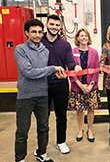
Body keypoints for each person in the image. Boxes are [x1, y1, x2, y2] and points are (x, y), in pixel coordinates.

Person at [14, 19, 66, 162]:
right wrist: (52, 69)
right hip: (25, 96)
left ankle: (41, 153)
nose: (37, 35)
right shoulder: (20, 49)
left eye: (39, 32)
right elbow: (28, 71)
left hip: (42, 95)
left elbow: (45, 72)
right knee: (22, 131)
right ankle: (20, 158)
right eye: (33, 32)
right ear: (26, 33)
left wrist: (57, 73)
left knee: (44, 128)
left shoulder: (45, 51)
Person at [41, 14, 81, 154]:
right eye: (51, 24)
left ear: (60, 27)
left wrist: (74, 67)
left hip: (60, 85)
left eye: (57, 25)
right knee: (42, 117)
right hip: (42, 85)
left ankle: (61, 142)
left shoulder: (65, 44)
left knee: (61, 115)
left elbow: (70, 62)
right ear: (46, 25)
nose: (54, 27)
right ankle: (42, 146)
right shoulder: (39, 41)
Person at [68, 28, 101, 143]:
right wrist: (80, 85)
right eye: (81, 36)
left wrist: (90, 85)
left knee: (91, 109)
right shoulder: (72, 52)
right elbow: (71, 71)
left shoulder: (94, 52)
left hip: (91, 87)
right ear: (77, 38)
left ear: (88, 38)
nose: (84, 38)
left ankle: (90, 130)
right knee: (79, 110)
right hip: (77, 86)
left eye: (86, 36)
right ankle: (80, 129)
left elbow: (96, 71)